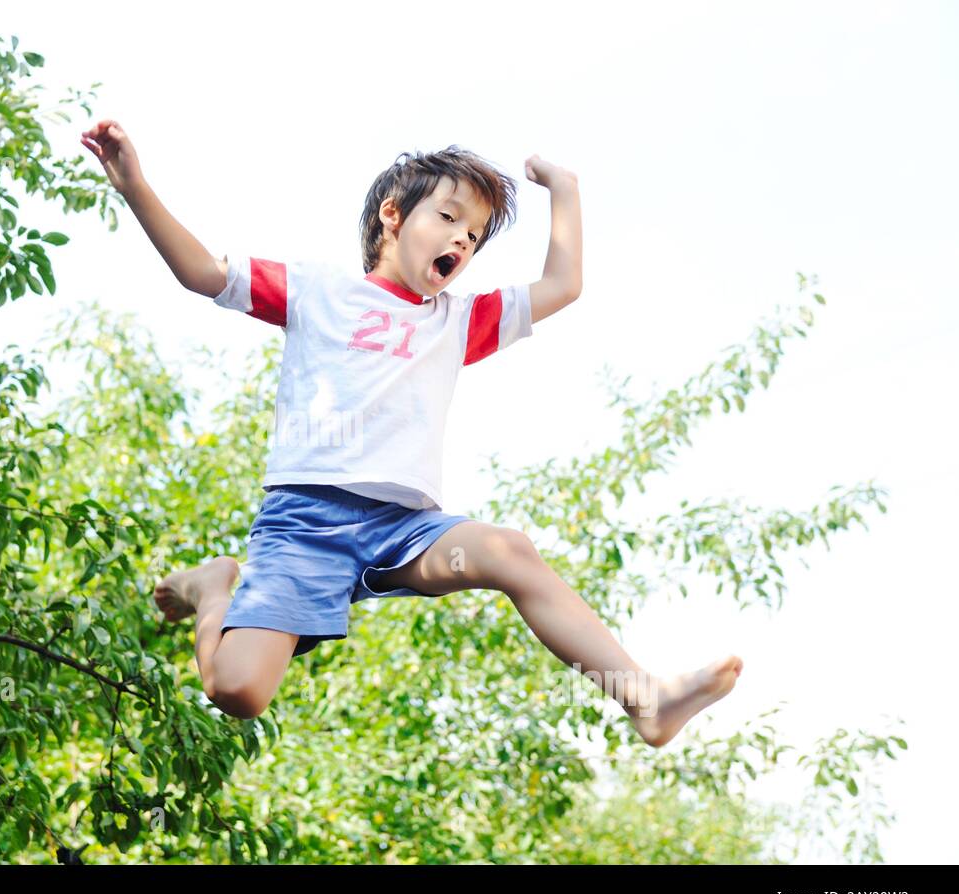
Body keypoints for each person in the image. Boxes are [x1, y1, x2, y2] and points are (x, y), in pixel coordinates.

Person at [81, 119, 743, 748]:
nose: (462, 239)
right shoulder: (318, 292)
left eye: (476, 235)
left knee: (507, 551)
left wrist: (564, 190)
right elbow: (202, 272)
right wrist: (134, 186)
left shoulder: (456, 322)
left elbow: (564, 284)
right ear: (392, 216)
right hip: (305, 528)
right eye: (449, 217)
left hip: (404, 533)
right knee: (238, 690)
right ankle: (213, 584)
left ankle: (642, 698)